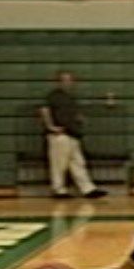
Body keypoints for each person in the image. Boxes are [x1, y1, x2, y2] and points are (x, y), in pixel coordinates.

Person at [39, 70, 106, 200]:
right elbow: (44, 110)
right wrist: (50, 127)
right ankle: (58, 189)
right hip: (60, 134)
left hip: (73, 134)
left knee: (78, 162)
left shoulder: (70, 97)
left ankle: (88, 189)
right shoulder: (54, 96)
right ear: (58, 82)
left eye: (70, 80)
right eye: (65, 80)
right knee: (59, 164)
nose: (68, 82)